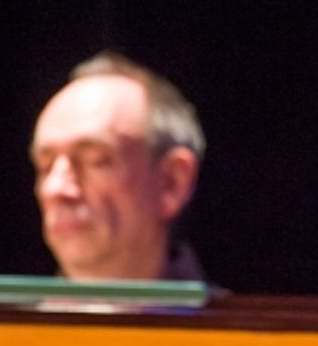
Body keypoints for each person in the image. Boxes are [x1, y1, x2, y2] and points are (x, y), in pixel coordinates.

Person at [30, 51, 207, 281]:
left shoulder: (242, 318)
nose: (56, 189)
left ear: (172, 182)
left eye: (96, 160)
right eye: (45, 166)